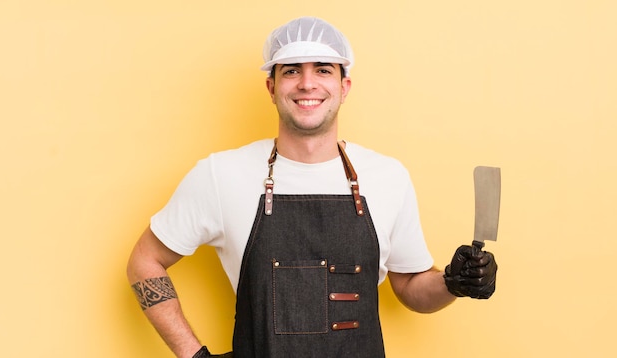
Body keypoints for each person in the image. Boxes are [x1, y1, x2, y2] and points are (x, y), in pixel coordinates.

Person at [126, 16, 497, 358]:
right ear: (271, 87)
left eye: (322, 69)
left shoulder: (388, 176)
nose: (307, 83)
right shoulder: (221, 174)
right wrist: (195, 356)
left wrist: (454, 282)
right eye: (291, 71)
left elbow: (412, 288)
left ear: (343, 85)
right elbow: (145, 262)